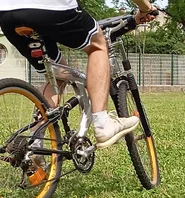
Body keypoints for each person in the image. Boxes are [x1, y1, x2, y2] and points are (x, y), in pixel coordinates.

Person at [0, 0, 157, 149]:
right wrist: (145, 8)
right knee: (98, 45)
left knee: (58, 75)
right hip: (53, 7)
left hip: (7, 14)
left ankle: (34, 145)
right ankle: (102, 124)